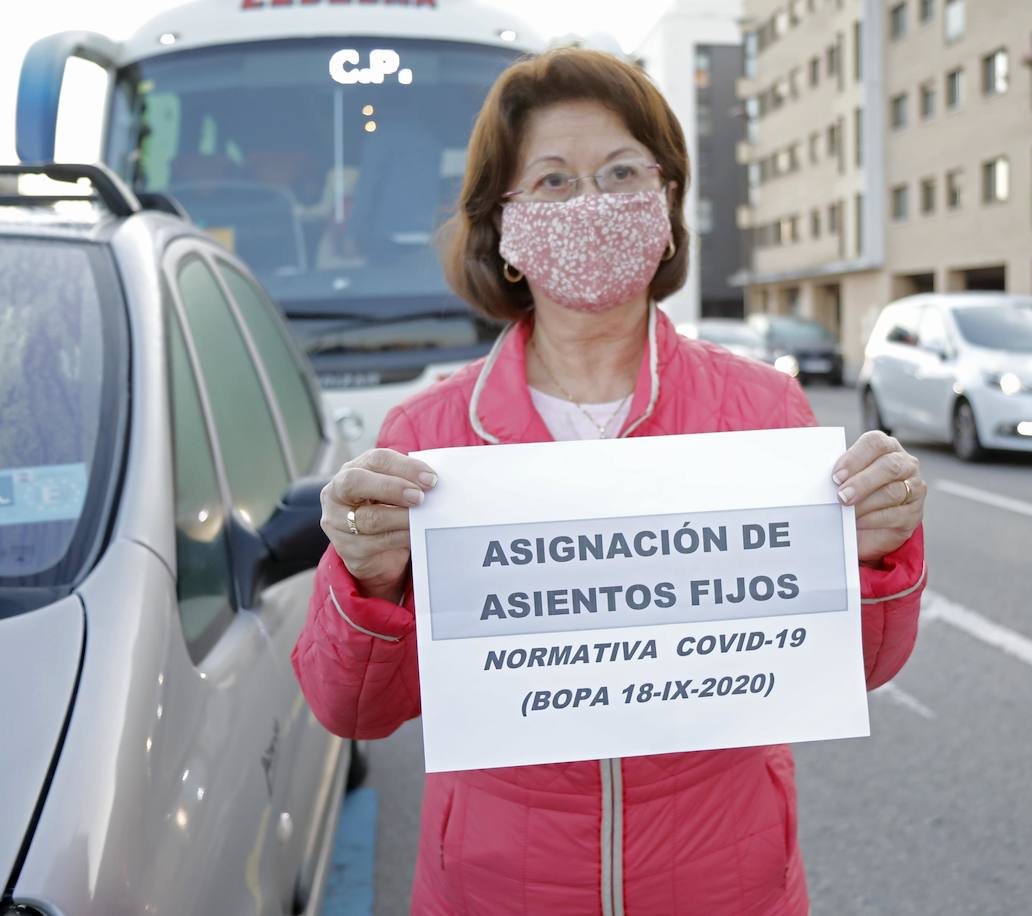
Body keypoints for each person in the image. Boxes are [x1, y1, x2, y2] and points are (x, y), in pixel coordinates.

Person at [292, 48, 928, 916]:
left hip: (725, 878)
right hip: (495, 884)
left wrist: (880, 554)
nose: (591, 204)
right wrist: (367, 579)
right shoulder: (427, 443)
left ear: (665, 205)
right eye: (552, 182)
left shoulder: (765, 412)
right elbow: (355, 710)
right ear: (505, 230)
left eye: (622, 172)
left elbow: (856, 665)